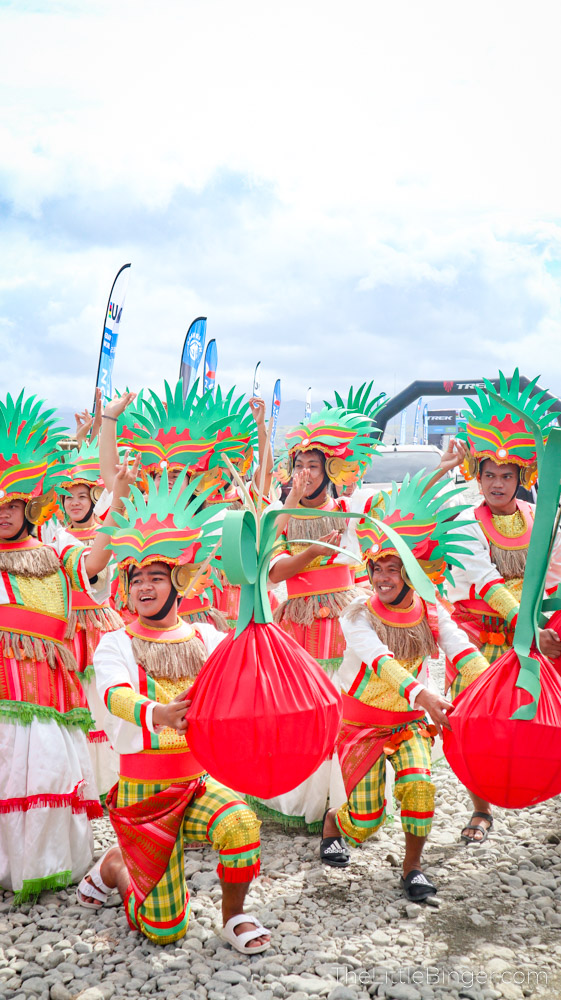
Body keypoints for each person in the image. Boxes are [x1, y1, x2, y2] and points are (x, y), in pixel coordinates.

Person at [77, 471, 269, 954]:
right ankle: (115, 867)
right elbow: (114, 695)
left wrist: (258, 606)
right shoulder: (115, 642)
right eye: (136, 578)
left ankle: (236, 917)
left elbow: (246, 673)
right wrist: (158, 712)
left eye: (155, 577)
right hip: (144, 790)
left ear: (180, 582)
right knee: (164, 931)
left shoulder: (207, 638)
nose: (143, 586)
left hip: (199, 779)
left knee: (242, 824)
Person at [320, 472, 490, 900]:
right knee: (367, 821)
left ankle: (412, 868)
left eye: (392, 569)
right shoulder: (356, 614)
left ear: (412, 574)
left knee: (420, 786)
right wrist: (425, 694)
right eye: (376, 568)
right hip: (360, 723)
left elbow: (461, 650)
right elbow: (382, 662)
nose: (381, 578)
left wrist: (491, 683)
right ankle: (334, 823)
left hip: (410, 723)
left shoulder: (431, 611)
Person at [0, 390, 138, 902]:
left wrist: (118, 496)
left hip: (47, 696)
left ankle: (48, 862)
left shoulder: (54, 548)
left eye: (12, 505)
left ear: (29, 506)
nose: (4, 515)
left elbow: (96, 558)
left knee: (49, 770)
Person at [447, 370, 561, 842]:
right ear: (477, 477)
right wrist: (526, 624)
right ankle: (481, 809)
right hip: (485, 640)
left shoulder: (539, 518)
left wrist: (545, 624)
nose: (497, 483)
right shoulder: (467, 521)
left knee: (538, 717)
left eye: (506, 475)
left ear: (523, 477)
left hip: (532, 634)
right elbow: (484, 579)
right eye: (489, 474)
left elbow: (553, 575)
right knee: (475, 725)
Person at [53, 440, 123, 798]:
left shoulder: (104, 534)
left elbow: (94, 574)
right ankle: (82, 781)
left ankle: (111, 782)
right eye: (69, 498)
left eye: (82, 496)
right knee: (76, 703)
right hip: (66, 628)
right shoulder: (55, 537)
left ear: (94, 498)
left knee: (102, 703)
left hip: (97, 625)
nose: (75, 503)